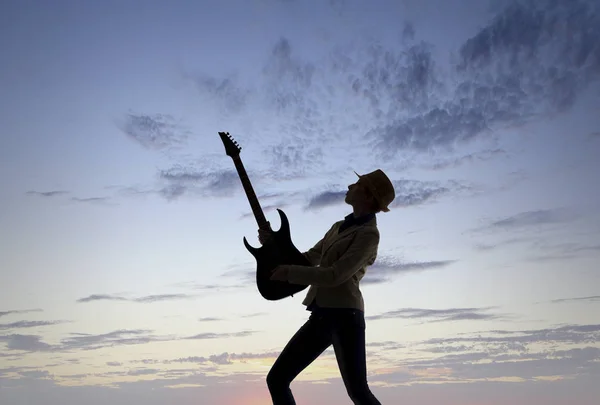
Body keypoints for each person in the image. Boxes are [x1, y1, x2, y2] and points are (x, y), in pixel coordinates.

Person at [257, 169, 395, 405]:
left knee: (358, 392)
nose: (350, 185)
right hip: (322, 314)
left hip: (345, 317)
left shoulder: (369, 235)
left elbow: (335, 275)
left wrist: (289, 273)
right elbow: (310, 258)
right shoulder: (338, 226)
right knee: (277, 379)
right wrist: (273, 246)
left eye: (358, 184)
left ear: (369, 197)